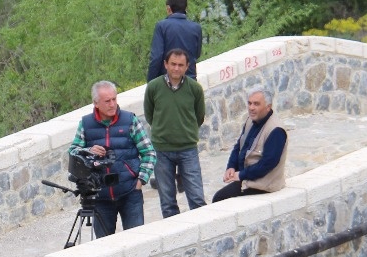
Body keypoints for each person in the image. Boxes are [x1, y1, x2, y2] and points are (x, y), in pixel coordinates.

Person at [68, 80, 156, 238]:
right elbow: (73, 152)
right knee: (104, 247)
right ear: (96, 103)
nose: (112, 104)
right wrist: (88, 150)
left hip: (130, 193)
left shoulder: (130, 120)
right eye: (107, 101)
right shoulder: (86, 124)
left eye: (114, 99)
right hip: (100, 198)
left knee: (137, 241)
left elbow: (149, 152)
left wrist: (140, 181)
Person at [143, 49, 206, 218]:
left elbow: (199, 116)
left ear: (187, 67)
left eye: (180, 65)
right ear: (165, 64)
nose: (176, 69)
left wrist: (185, 131)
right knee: (167, 202)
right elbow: (150, 115)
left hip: (188, 149)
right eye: (173, 64)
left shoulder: (195, 89)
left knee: (197, 199)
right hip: (161, 150)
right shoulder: (154, 87)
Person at [213, 89, 289, 202]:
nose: (251, 108)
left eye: (256, 104)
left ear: (268, 107)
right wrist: (231, 166)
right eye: (249, 103)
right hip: (248, 178)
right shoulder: (250, 120)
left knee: (219, 199)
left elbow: (267, 164)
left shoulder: (276, 130)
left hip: (263, 184)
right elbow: (239, 146)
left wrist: (241, 175)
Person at [147, 0, 203, 81]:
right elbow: (197, 54)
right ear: (186, 9)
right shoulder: (196, 28)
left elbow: (156, 57)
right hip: (189, 80)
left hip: (167, 82)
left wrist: (151, 81)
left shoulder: (162, 26)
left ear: (169, 9)